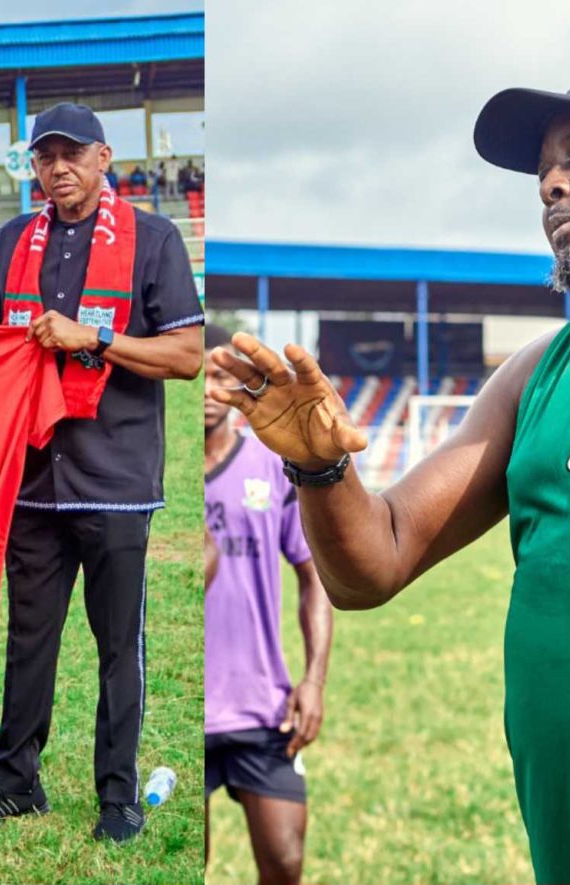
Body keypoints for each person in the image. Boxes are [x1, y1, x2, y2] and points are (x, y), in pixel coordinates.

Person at [211, 57, 570, 885]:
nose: (550, 184)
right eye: (543, 169)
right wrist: (322, 468)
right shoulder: (539, 372)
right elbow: (376, 561)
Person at [0, 101, 203, 843]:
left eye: (72, 154)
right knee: (30, 639)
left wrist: (98, 336)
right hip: (32, 477)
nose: (58, 168)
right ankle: (16, 784)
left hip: (116, 478)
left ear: (103, 158)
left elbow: (186, 356)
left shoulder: (153, 238)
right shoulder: (12, 239)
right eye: (45, 156)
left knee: (119, 647)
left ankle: (117, 796)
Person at [203, 325, 332, 885]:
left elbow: (314, 578)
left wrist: (314, 681)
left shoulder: (268, 465)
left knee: (284, 863)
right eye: (200, 377)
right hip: (189, 711)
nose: (210, 390)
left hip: (262, 707)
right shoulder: (157, 467)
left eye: (222, 378)